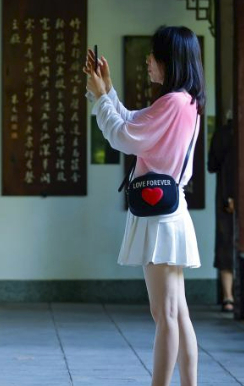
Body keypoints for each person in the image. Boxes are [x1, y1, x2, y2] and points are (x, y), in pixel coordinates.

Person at [85, 26, 204, 386]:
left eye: (154, 55)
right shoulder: (185, 101)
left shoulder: (172, 102)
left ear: (170, 61)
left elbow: (124, 136)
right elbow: (135, 122)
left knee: (164, 313)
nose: (148, 61)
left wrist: (101, 99)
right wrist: (105, 91)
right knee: (177, 312)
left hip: (160, 219)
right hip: (169, 213)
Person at [208, 113, 236, 312]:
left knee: (225, 244)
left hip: (225, 196)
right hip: (229, 196)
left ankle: (228, 298)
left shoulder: (224, 134)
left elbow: (212, 165)